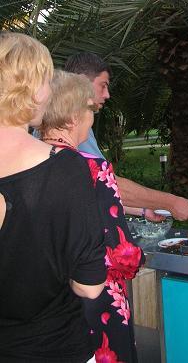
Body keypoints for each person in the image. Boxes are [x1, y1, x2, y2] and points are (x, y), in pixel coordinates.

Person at [0, 33, 106, 363]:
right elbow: (89, 285)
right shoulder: (64, 168)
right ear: (32, 90)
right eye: (46, 80)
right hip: (53, 347)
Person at [38, 70, 144, 363]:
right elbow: (120, 251)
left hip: (44, 306)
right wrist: (139, 257)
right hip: (95, 302)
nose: (92, 117)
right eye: (89, 109)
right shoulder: (94, 168)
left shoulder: (24, 164)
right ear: (73, 117)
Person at [64, 52, 188, 221]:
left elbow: (92, 188)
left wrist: (142, 210)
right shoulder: (70, 124)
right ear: (82, 82)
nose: (107, 95)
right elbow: (107, 183)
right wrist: (171, 202)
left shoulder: (69, 121)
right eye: (103, 86)